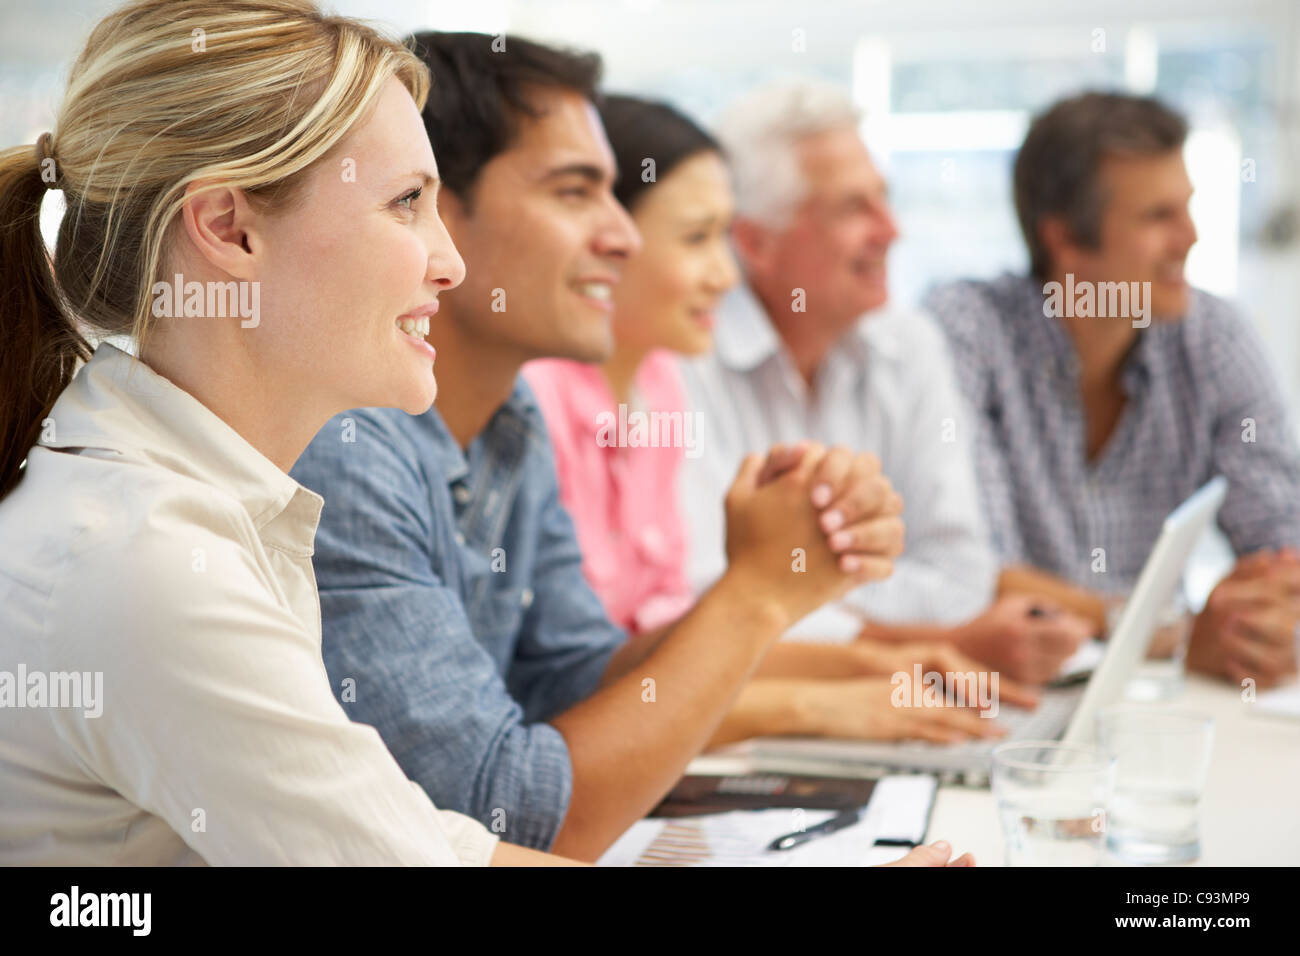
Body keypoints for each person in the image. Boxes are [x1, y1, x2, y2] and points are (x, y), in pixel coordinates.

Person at [290, 33, 975, 866]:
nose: (622, 235)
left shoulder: (510, 423)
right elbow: (504, 814)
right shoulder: (347, 450)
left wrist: (782, 579)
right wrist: (754, 596)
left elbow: (583, 679)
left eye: (617, 196)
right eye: (575, 192)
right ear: (443, 210)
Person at [0, 0, 603, 865]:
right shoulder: (147, 562)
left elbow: (419, 845)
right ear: (228, 229)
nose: (451, 262)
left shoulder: (168, 508)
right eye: (406, 203)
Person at [524, 93, 1033, 745]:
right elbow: (574, 694)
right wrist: (819, 700)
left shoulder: (655, 383)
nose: (722, 274)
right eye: (697, 238)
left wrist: (870, 661)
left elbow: (664, 648)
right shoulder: (553, 399)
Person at [678, 80, 1093, 686]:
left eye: (884, 199)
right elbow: (700, 605)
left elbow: (959, 577)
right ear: (755, 242)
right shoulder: (685, 357)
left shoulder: (908, 345)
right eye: (852, 208)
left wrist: (794, 600)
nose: (891, 231)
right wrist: (945, 644)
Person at [925, 91, 1300, 690]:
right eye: (1158, 216)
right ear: (1066, 239)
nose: (1191, 237)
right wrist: (1167, 632)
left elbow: (1283, 541)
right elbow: (969, 572)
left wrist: (1267, 623)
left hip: (1160, 702)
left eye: (1188, 208)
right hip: (1007, 696)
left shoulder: (1214, 337)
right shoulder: (964, 334)